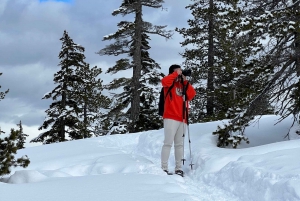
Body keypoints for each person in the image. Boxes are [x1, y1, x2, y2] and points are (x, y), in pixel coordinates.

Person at [161, 64, 196, 177]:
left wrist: (185, 81)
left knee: (179, 145)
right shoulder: (169, 84)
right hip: (170, 117)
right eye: (177, 71)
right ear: (172, 73)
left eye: (180, 71)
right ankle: (164, 168)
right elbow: (164, 81)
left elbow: (191, 95)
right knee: (168, 143)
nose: (180, 73)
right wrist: (175, 74)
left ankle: (178, 168)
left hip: (182, 118)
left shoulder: (183, 85)